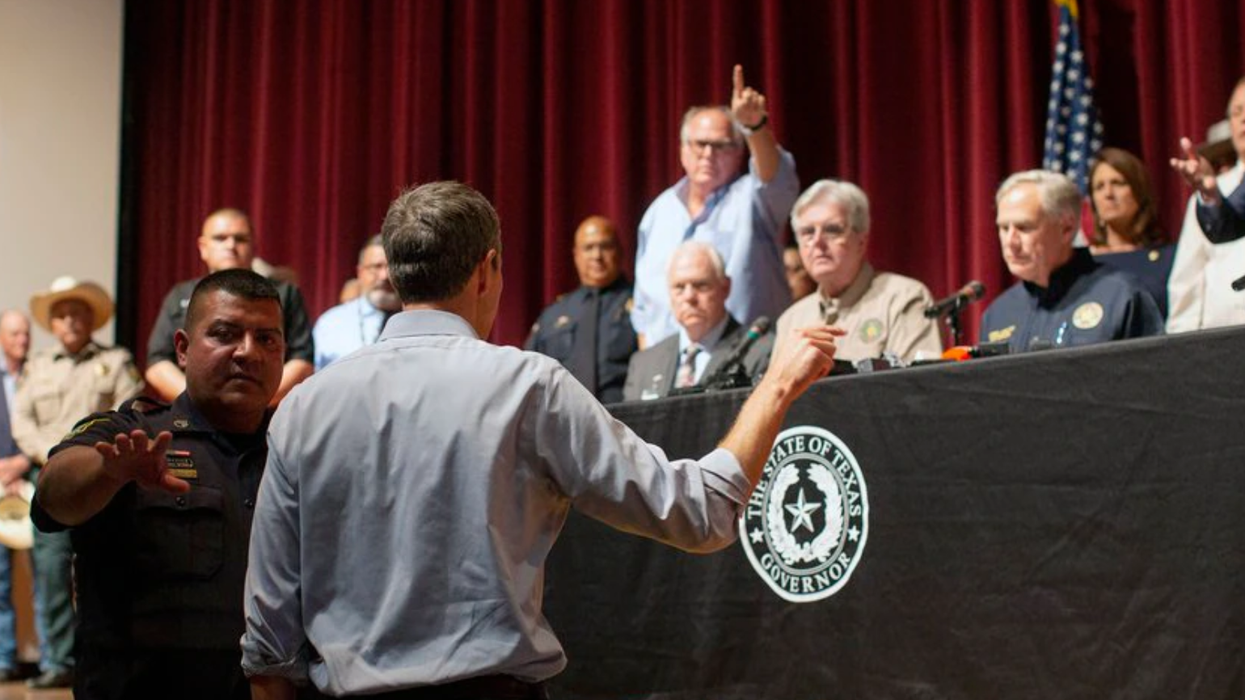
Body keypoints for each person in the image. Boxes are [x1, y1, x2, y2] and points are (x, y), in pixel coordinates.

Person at [242, 181, 841, 699]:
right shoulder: (527, 387)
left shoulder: (302, 408)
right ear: (488, 270)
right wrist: (777, 386)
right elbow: (697, 512)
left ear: (398, 273)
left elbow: (269, 638)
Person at [31, 269, 285, 700]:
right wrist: (108, 472)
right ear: (183, 349)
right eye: (225, 334)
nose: (248, 352)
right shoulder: (134, 434)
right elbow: (53, 498)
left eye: (267, 339)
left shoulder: (296, 447)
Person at [13, 277, 145, 690]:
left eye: (79, 313)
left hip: (104, 477)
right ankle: (59, 660)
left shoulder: (116, 360)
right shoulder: (38, 368)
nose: (71, 320)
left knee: (106, 566)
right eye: (62, 314)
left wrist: (91, 460)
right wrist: (50, 457)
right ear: (53, 323)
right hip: (48, 479)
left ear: (92, 319)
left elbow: (132, 407)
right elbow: (22, 421)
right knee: (51, 572)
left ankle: (106, 652)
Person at [631, 65, 799, 347]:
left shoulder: (752, 200)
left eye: (721, 146)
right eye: (700, 144)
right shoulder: (659, 213)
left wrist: (754, 127)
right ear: (683, 149)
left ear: (739, 151)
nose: (708, 154)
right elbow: (644, 311)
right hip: (671, 371)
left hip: (744, 362)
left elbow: (775, 180)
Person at [980, 170, 1164, 352]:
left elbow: (1155, 373)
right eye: (1004, 228)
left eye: (1024, 227)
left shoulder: (1121, 295)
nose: (1011, 242)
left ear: (1067, 228)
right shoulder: (997, 314)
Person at [146, 208, 313, 402]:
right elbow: (157, 363)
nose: (231, 245)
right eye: (220, 238)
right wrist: (201, 404)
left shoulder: (286, 294)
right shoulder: (180, 295)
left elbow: (302, 362)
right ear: (203, 247)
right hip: (194, 419)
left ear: (254, 246)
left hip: (267, 418)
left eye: (240, 239)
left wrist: (253, 403)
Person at [774, 179, 943, 364]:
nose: (817, 242)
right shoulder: (791, 321)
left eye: (832, 230)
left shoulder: (903, 299)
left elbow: (917, 386)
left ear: (861, 241)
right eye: (807, 232)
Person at [623, 242, 771, 401]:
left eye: (701, 285)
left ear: (725, 288)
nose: (689, 297)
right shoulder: (644, 364)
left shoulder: (761, 352)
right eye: (679, 287)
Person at [526, 216, 638, 403]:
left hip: (627, 420)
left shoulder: (642, 306)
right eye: (589, 248)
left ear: (619, 251)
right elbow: (532, 373)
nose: (597, 256)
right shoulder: (554, 315)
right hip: (566, 423)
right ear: (576, 255)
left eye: (605, 246)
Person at [1166, 78, 1245, 332]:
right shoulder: (1214, 193)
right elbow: (1186, 282)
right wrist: (1182, 350)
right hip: (1223, 345)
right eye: (1237, 112)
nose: (1243, 118)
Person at [1087, 148, 1175, 317]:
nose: (1108, 194)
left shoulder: (1169, 258)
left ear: (1139, 191)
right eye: (1099, 187)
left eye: (1118, 183)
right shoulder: (1081, 263)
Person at [313, 235, 401, 370]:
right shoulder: (331, 323)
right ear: (360, 272)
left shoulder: (420, 319)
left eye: (392, 267)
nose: (385, 276)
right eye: (376, 267)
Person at [0, 310, 31, 682]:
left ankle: (56, 662)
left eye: (25, 333)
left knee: (48, 577)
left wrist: (22, 463)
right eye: (14, 333)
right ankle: (4, 658)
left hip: (32, 476)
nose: (22, 339)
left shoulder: (40, 374)